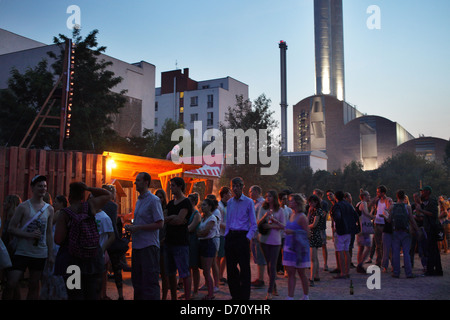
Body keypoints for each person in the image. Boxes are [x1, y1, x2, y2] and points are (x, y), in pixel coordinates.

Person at [54, 181, 111, 300]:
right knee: (92, 295)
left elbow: (58, 240)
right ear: (82, 196)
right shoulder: (91, 206)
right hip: (92, 261)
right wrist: (89, 188)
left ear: (69, 197)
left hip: (71, 263)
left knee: (74, 295)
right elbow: (107, 194)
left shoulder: (64, 214)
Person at [4, 175, 54, 300]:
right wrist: (28, 235)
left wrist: (51, 253)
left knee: (34, 284)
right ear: (32, 188)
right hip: (22, 251)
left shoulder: (49, 209)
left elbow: (48, 233)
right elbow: (11, 227)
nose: (43, 189)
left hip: (40, 252)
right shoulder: (23, 207)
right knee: (12, 282)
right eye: (40, 186)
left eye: (44, 186)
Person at [224, 177, 257, 300]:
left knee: (244, 269)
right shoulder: (230, 202)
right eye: (234, 186)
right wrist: (227, 234)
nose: (236, 188)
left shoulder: (249, 202)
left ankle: (244, 296)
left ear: (243, 187)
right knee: (231, 269)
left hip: (242, 236)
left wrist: (247, 238)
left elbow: (254, 224)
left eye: (238, 186)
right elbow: (228, 221)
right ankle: (235, 295)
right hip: (231, 236)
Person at [164, 177, 193, 300]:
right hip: (169, 241)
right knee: (170, 272)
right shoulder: (170, 203)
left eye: (174, 185)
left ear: (180, 186)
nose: (171, 187)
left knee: (184, 272)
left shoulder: (186, 202)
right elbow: (164, 219)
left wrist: (173, 219)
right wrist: (173, 217)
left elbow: (179, 220)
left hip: (181, 242)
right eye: (171, 185)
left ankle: (187, 298)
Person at [257, 190, 286, 300]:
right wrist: (265, 216)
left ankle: (269, 291)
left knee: (272, 265)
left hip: (275, 240)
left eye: (270, 196)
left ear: (274, 197)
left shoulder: (280, 210)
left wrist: (272, 225)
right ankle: (273, 286)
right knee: (268, 264)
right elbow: (258, 223)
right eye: (266, 196)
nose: (268, 198)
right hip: (263, 240)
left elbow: (284, 226)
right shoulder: (263, 208)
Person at [40, 195, 68, 300]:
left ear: (62, 203)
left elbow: (49, 226)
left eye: (56, 202)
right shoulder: (67, 214)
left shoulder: (58, 213)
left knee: (52, 275)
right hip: (57, 247)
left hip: (54, 247)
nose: (54, 204)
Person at [387, 190, 419, 278]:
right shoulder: (407, 207)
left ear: (397, 197)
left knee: (396, 252)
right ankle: (408, 273)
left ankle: (396, 272)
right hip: (406, 232)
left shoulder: (392, 207)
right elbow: (412, 220)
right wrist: (417, 230)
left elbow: (389, 220)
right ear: (404, 197)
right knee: (406, 253)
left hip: (396, 231)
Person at [283, 193, 310, 300]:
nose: (290, 202)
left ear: (297, 203)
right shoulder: (291, 214)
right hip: (289, 247)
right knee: (290, 273)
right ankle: (290, 296)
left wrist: (293, 232)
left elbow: (307, 233)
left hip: (299, 249)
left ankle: (305, 295)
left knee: (301, 273)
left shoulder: (302, 217)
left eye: (292, 201)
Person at [102, 184, 125, 300]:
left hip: (102, 238)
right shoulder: (113, 206)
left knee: (102, 269)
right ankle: (120, 295)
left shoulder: (99, 205)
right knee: (117, 268)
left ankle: (102, 294)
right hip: (112, 238)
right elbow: (114, 225)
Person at [330, 191, 359, 279]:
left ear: (335, 197)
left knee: (340, 251)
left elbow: (338, 217)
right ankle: (347, 272)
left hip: (341, 230)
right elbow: (355, 216)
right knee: (346, 251)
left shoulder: (337, 206)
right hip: (349, 230)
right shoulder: (349, 205)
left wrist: (336, 225)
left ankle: (342, 272)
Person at [415, 186, 443, 276]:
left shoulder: (432, 201)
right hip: (429, 228)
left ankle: (432, 270)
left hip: (432, 228)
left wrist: (421, 211)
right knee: (433, 250)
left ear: (427, 192)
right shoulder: (427, 202)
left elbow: (433, 214)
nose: (421, 193)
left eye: (422, 192)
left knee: (432, 250)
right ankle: (437, 270)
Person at [197, 198, 219, 300]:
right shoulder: (203, 218)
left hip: (208, 244)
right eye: (202, 205)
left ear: (210, 207)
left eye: (205, 205)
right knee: (205, 271)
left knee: (206, 270)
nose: (202, 206)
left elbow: (205, 232)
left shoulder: (212, 218)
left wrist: (197, 233)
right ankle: (210, 293)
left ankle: (211, 294)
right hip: (202, 243)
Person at [155, 188, 171, 300]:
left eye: (161, 197)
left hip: (164, 244)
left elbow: (168, 229)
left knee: (165, 274)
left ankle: (164, 297)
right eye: (157, 196)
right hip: (153, 244)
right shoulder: (152, 209)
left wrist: (163, 240)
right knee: (154, 273)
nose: (159, 199)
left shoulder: (167, 211)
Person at [249, 185, 267, 288]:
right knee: (256, 256)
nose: (250, 194)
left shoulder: (262, 203)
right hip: (254, 233)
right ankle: (259, 278)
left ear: (256, 191)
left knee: (260, 256)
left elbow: (261, 219)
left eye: (250, 191)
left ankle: (261, 279)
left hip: (259, 234)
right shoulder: (254, 203)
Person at [370, 185, 392, 267]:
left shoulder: (388, 200)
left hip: (384, 224)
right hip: (377, 223)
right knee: (377, 245)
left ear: (383, 193)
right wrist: (375, 198)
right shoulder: (377, 200)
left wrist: (386, 213)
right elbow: (370, 204)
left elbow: (390, 209)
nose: (377, 193)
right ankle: (378, 262)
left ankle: (389, 262)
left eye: (378, 192)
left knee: (386, 245)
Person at [355, 189, 374, 274]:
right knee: (369, 247)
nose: (369, 197)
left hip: (359, 228)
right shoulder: (364, 203)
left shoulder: (358, 203)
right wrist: (374, 216)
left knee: (361, 248)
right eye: (368, 195)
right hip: (364, 229)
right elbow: (366, 213)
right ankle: (360, 264)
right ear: (364, 197)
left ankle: (359, 265)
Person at [307, 194, 324, 287]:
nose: (310, 204)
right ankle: (316, 275)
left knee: (313, 258)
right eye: (309, 202)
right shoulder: (312, 210)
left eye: (312, 202)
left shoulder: (318, 211)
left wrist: (305, 227)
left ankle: (311, 278)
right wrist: (309, 213)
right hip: (312, 235)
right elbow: (307, 221)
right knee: (314, 257)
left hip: (315, 235)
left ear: (316, 202)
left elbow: (314, 224)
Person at [187, 192, 201, 299]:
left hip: (193, 242)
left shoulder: (196, 214)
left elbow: (191, 228)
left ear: (194, 202)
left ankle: (195, 291)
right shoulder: (186, 212)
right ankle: (188, 291)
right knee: (187, 268)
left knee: (194, 267)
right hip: (185, 241)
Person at [217, 186, 231, 285]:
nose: (230, 195)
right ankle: (217, 276)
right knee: (219, 256)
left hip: (227, 234)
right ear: (225, 194)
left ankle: (221, 275)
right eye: (229, 193)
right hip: (221, 233)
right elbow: (219, 222)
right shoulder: (219, 206)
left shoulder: (229, 205)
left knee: (225, 256)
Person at [410, 192, 427, 272]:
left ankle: (425, 265)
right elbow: (410, 217)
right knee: (411, 248)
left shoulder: (423, 206)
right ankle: (410, 264)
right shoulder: (412, 206)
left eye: (416, 197)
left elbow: (422, 218)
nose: (415, 198)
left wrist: (416, 216)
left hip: (421, 228)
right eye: (414, 197)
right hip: (413, 228)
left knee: (421, 248)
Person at [313, 189, 329, 272]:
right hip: (315, 227)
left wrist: (316, 215)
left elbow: (324, 214)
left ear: (319, 195)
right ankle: (314, 263)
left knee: (323, 245)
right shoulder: (313, 204)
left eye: (315, 194)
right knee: (314, 246)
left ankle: (325, 263)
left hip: (321, 227)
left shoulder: (324, 203)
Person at [277, 191, 292, 276]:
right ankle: (279, 268)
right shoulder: (277, 209)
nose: (285, 201)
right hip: (278, 233)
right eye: (283, 199)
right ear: (279, 200)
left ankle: (285, 268)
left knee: (285, 251)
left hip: (286, 233)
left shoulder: (288, 209)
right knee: (279, 252)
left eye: (286, 199)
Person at [326, 190, 340, 274]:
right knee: (337, 249)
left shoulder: (337, 205)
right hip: (335, 229)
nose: (329, 196)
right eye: (327, 195)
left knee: (340, 249)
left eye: (330, 194)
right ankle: (339, 266)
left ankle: (341, 267)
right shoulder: (332, 206)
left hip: (339, 229)